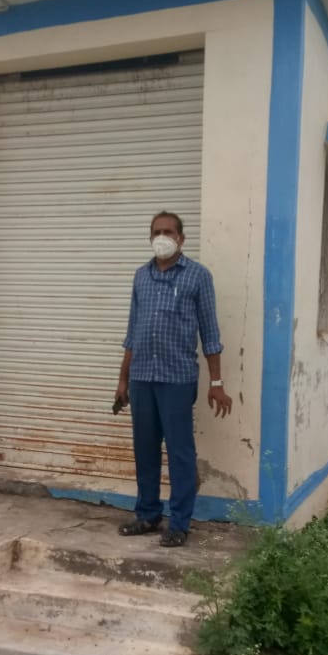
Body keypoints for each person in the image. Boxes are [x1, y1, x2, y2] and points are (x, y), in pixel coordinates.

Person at [114, 211, 232, 548]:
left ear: (181, 238)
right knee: (145, 450)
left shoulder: (198, 277)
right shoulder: (141, 277)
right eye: (156, 232)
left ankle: (179, 523)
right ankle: (148, 514)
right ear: (150, 237)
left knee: (181, 453)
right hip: (141, 378)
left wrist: (217, 383)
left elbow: (210, 333)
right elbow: (131, 334)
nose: (161, 237)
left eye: (168, 231)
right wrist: (122, 380)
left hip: (177, 379)